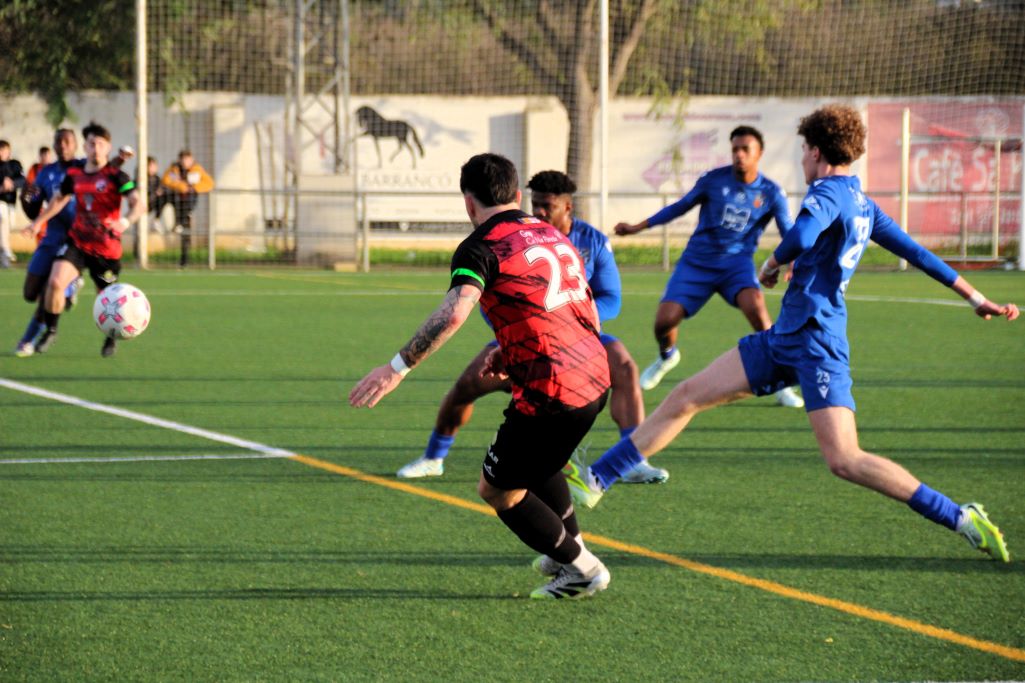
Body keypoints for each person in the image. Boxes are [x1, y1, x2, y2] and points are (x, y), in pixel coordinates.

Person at [566, 104, 1018, 564]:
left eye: (804, 150)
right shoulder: (863, 203)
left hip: (817, 344)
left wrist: (771, 262)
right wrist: (974, 297)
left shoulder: (828, 192)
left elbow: (801, 237)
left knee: (845, 458)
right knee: (687, 396)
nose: (802, 158)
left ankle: (959, 515)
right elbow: (918, 253)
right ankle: (598, 478)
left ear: (816, 151)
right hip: (784, 339)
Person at [351, 153, 614, 599]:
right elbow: (580, 305)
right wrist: (510, 351)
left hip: (551, 388)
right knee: (541, 463)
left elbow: (455, 313)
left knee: (498, 490)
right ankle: (565, 552)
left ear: (468, 202)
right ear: (516, 195)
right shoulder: (552, 233)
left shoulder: (481, 245)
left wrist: (397, 368)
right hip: (594, 373)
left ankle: (585, 570)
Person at [396, 170, 667, 484]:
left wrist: (569, 318)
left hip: (582, 338)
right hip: (523, 339)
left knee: (623, 364)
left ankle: (632, 461)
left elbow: (612, 299)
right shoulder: (517, 236)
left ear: (567, 207)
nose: (539, 211)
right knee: (465, 387)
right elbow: (490, 300)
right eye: (535, 203)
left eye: (547, 205)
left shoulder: (593, 240)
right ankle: (433, 457)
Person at [614, 126, 804, 408]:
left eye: (745, 149)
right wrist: (637, 227)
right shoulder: (713, 180)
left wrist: (794, 261)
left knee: (757, 311)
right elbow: (678, 207)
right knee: (663, 322)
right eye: (735, 149)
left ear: (759, 154)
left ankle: (780, 383)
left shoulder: (770, 192)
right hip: (697, 262)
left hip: (737, 265)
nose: (739, 155)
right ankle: (668, 356)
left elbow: (788, 229)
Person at [24, 122, 143, 358]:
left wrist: (125, 221)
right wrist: (38, 222)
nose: (95, 148)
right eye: (91, 143)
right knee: (55, 282)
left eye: (100, 144)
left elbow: (138, 204)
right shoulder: (74, 174)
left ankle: (111, 337)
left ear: (108, 147)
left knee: (108, 300)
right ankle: (51, 330)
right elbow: (58, 200)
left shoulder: (118, 176)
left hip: (106, 249)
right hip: (77, 243)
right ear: (85, 147)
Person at [160, 149, 214, 267]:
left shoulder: (197, 170)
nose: (185, 162)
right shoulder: (174, 169)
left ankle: (184, 260)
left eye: (187, 159)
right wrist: (181, 186)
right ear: (179, 160)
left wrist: (194, 188)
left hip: (188, 204)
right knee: (162, 196)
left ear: (192, 159)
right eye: (183, 159)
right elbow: (165, 180)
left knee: (185, 232)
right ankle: (159, 219)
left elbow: (209, 184)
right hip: (175, 202)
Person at [0, 140, 26, 269]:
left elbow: (23, 180)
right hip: (1, 202)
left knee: (7, 226)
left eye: (3, 150)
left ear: (8, 151)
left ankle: (3, 258)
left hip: (11, 203)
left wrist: (12, 184)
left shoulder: (15, 165)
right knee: (2, 216)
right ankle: (6, 250)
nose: (1, 153)